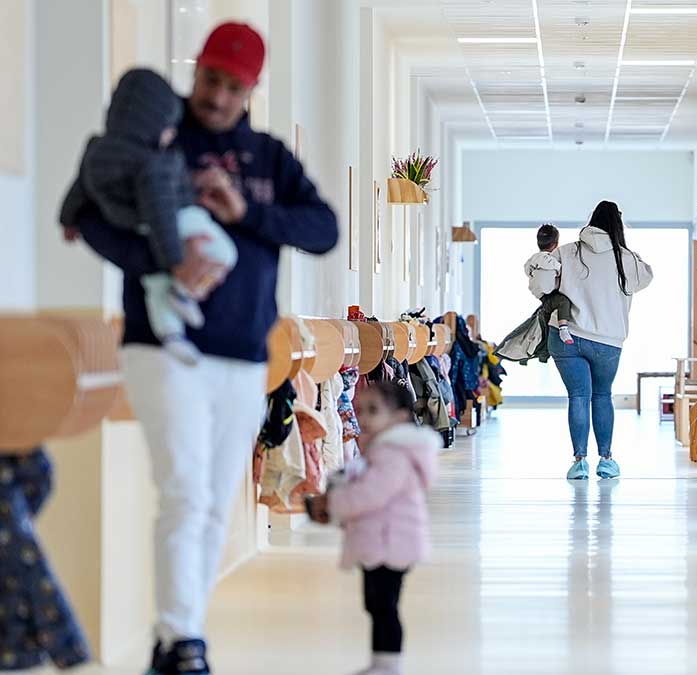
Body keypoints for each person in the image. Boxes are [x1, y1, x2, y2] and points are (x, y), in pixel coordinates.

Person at [67, 22, 338, 675]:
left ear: (251, 89)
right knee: (185, 490)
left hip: (246, 354)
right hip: (164, 343)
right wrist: (163, 261)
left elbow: (323, 228)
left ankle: (175, 640)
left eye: (233, 86)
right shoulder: (158, 134)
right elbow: (82, 216)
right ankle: (185, 638)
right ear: (197, 73)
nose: (218, 96)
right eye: (211, 79)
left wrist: (247, 214)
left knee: (215, 501)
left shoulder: (270, 157)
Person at [59, 68, 237, 365]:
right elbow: (161, 211)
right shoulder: (154, 163)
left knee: (156, 286)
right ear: (151, 123)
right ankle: (185, 291)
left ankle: (172, 335)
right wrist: (176, 262)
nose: (170, 134)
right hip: (177, 224)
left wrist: (67, 220)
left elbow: (79, 189)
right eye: (168, 126)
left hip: (134, 227)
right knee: (225, 253)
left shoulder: (96, 151)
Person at [305, 381, 439, 675]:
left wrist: (333, 503)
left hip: (392, 542)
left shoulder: (394, 454)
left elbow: (371, 494)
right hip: (383, 540)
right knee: (377, 604)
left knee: (384, 606)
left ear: (400, 417)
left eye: (373, 411)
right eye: (360, 410)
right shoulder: (381, 449)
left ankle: (389, 665)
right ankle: (382, 662)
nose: (363, 418)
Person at [529, 201, 653, 480]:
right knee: (601, 395)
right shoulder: (626, 258)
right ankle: (606, 460)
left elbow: (542, 286)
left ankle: (579, 462)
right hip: (608, 342)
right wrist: (626, 250)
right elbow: (646, 277)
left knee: (578, 397)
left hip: (566, 336)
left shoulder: (566, 252)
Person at [495, 223, 576, 364]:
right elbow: (561, 270)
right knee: (564, 302)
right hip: (549, 294)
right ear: (556, 244)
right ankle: (563, 329)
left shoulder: (534, 259)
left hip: (540, 295)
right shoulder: (550, 260)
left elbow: (526, 269)